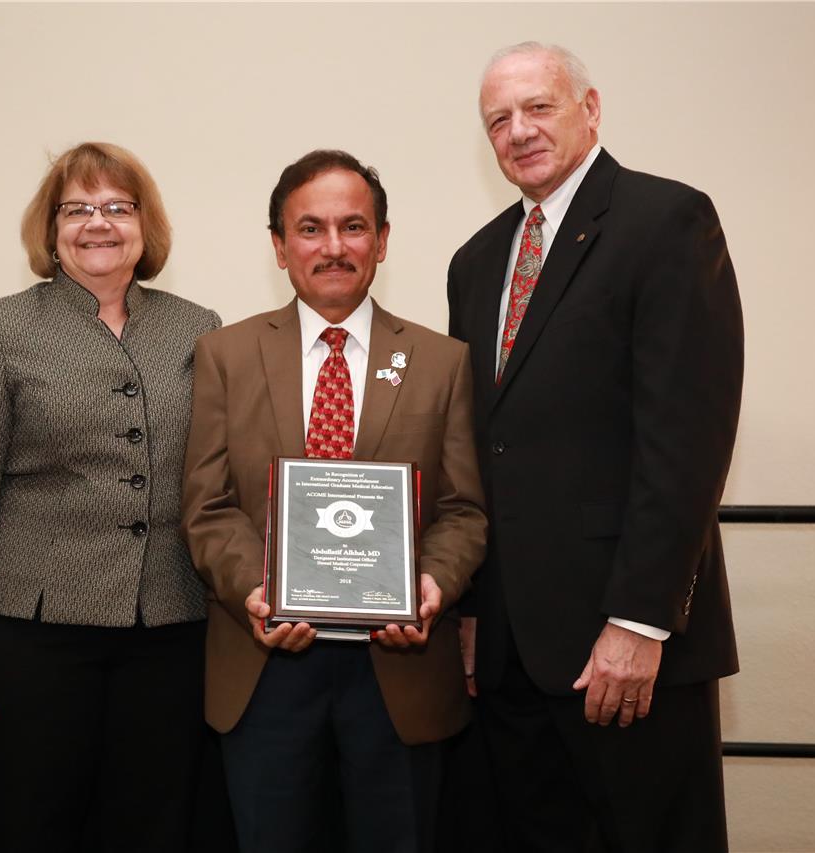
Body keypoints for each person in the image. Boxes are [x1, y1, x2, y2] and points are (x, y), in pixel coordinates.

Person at [447, 42, 744, 852]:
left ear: (591, 108)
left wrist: (641, 619)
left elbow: (685, 440)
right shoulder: (476, 262)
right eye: (497, 120)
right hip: (509, 657)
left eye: (538, 107)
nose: (518, 131)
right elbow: (480, 449)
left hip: (627, 645)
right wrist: (473, 614)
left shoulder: (666, 221)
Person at [0, 141, 220, 852]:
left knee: (155, 826)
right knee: (32, 824)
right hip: (35, 635)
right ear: (50, 229)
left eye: (118, 207)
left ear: (145, 225)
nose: (98, 223)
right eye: (77, 208)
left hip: (170, 628)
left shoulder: (197, 326)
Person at [182, 149, 487, 853]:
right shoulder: (224, 355)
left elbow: (464, 510)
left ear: (382, 241)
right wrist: (257, 590)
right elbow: (206, 506)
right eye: (310, 228)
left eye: (353, 227)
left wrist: (431, 585)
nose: (333, 247)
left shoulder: (443, 361)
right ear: (279, 246)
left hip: (401, 673)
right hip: (264, 666)